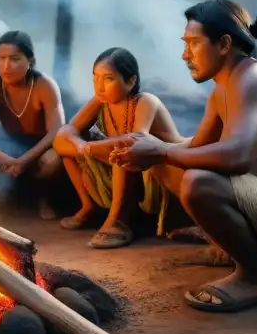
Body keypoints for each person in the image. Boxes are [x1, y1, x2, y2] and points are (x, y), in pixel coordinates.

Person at [110, 0, 257, 313]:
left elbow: (237, 157)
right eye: (185, 45)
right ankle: (238, 251)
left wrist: (162, 150)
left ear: (224, 44)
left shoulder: (252, 79)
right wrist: (148, 149)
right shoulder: (223, 88)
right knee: (168, 165)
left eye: (194, 44)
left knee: (198, 182)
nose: (185, 55)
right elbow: (194, 149)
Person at [53, 48, 184, 249]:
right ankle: (88, 206)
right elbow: (65, 132)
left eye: (108, 79)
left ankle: (119, 221)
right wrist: (81, 146)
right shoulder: (101, 102)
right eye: (95, 79)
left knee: (122, 150)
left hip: (165, 171)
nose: (100, 87)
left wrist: (90, 147)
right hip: (134, 170)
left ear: (131, 81)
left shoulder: (145, 101)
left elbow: (137, 142)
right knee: (71, 149)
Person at [0, 31, 66, 219]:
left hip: (41, 146)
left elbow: (57, 130)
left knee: (54, 159)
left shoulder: (45, 85)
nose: (6, 66)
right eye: (1, 59)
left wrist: (25, 160)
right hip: (8, 145)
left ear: (30, 61)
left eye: (15, 59)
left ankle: (45, 199)